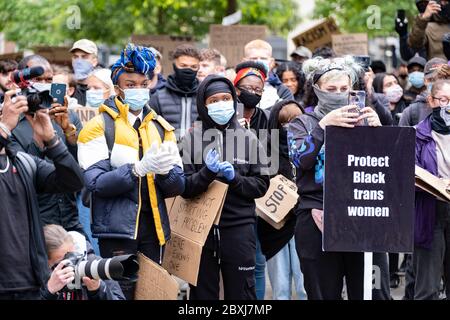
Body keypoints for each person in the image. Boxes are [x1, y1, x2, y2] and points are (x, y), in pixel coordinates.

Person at [77, 43, 185, 300]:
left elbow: (177, 186)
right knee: (118, 293)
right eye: (131, 84)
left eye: (143, 84)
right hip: (117, 230)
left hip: (155, 228)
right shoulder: (97, 126)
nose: (138, 89)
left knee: (152, 293)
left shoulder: (161, 127)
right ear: (118, 89)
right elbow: (96, 183)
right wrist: (136, 170)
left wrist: (165, 172)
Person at [288, 56, 390, 300]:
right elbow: (300, 160)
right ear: (317, 90)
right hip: (316, 216)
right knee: (323, 292)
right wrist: (323, 126)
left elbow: (386, 169)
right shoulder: (303, 122)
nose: (338, 94)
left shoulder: (365, 118)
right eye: (331, 89)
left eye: (344, 89)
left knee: (370, 292)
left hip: (362, 215)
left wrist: (379, 134)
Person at [180, 74, 270, 300]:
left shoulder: (249, 139)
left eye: (225, 98)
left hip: (239, 229)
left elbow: (261, 185)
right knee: (202, 295)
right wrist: (206, 173)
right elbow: (185, 187)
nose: (221, 104)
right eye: (214, 101)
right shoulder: (191, 140)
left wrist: (235, 179)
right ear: (204, 105)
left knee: (242, 294)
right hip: (201, 230)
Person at [0, 89, 83, 300]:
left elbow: (73, 181)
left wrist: (51, 141)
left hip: (31, 281)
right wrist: (3, 127)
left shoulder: (23, 162)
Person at [9, 55, 84, 235]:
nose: (43, 84)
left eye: (48, 80)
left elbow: (78, 169)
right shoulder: (10, 122)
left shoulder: (68, 116)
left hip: (69, 219)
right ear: (20, 82)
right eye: (37, 79)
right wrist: (41, 138)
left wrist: (67, 130)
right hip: (33, 223)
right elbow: (22, 175)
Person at [261, 99, 307, 300]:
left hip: (304, 222)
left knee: (305, 285)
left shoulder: (310, 147)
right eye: (284, 123)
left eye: (296, 121)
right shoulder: (264, 148)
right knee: (280, 289)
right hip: (274, 226)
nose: (290, 127)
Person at [233, 61, 269, 300]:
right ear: (237, 89)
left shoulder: (263, 118)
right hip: (230, 199)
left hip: (255, 194)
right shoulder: (226, 113)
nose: (253, 93)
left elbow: (269, 156)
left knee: (257, 261)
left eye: (258, 90)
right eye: (248, 88)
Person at [414, 79, 450, 300]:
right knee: (428, 287)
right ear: (431, 101)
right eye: (443, 100)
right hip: (430, 211)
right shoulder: (417, 134)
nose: (448, 106)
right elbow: (409, 174)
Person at [41, 224, 125, 300]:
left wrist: (98, 290)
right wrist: (49, 292)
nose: (71, 264)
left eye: (72, 255)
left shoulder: (93, 264)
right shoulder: (37, 275)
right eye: (62, 262)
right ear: (45, 262)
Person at [150, 44, 201, 140]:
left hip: (198, 153)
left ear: (198, 67)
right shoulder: (158, 97)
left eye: (193, 66)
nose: (188, 70)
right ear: (174, 66)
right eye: (183, 65)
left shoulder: (205, 96)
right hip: (167, 153)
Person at [242, 40, 293, 110]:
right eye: (253, 58)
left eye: (263, 58)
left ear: (271, 62)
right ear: (245, 61)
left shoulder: (283, 91)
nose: (259, 62)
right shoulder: (238, 88)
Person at [400, 57, 447, 126]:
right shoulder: (411, 112)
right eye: (432, 80)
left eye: (442, 79)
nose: (437, 83)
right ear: (425, 81)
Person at [69, 39, 99, 106]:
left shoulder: (100, 90)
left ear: (94, 61)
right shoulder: (67, 87)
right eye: (75, 57)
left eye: (84, 57)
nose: (79, 61)